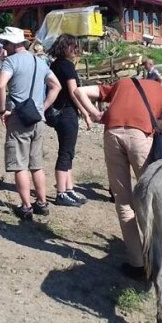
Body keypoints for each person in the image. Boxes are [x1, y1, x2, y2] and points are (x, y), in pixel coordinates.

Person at [75, 78, 162, 280]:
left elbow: (79, 91)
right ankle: (159, 258)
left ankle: (137, 263)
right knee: (154, 200)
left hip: (112, 134)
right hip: (140, 137)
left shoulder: (122, 83)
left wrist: (96, 114)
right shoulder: (161, 91)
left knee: (123, 201)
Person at [0, 27, 61, 220]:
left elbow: (0, 84)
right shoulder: (40, 62)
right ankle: (42, 203)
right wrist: (43, 106)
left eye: (5, 43)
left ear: (14, 44)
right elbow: (56, 85)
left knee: (20, 165)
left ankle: (26, 206)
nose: (3, 46)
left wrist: (1, 109)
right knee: (36, 164)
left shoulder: (10, 62)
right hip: (37, 118)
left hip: (18, 117)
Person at [47, 34, 93, 207]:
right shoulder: (67, 66)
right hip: (66, 113)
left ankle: (68, 188)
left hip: (59, 113)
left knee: (69, 152)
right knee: (66, 153)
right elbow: (75, 93)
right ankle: (61, 193)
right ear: (64, 47)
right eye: (73, 46)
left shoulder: (55, 64)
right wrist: (86, 113)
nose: (76, 50)